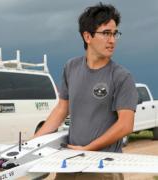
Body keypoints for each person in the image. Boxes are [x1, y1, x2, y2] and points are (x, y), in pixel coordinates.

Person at [34, 2, 138, 180]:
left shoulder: (121, 77)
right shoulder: (71, 67)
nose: (112, 40)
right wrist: (33, 142)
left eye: (115, 33)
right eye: (106, 33)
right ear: (87, 36)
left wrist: (88, 149)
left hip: (102, 166)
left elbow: (125, 125)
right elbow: (61, 109)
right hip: (69, 162)